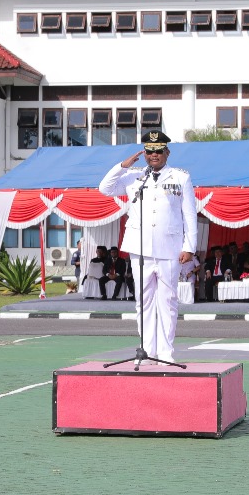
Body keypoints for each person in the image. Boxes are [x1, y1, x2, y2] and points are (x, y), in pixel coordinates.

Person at [98, 130, 197, 362]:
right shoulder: (134, 177)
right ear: (144, 153)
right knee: (143, 301)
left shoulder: (180, 178)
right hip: (140, 250)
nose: (154, 155)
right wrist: (123, 165)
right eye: (150, 151)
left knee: (168, 301)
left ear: (167, 152)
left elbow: (189, 215)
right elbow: (105, 188)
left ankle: (165, 351)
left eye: (159, 151)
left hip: (170, 248)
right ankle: (147, 350)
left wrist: (189, 246)